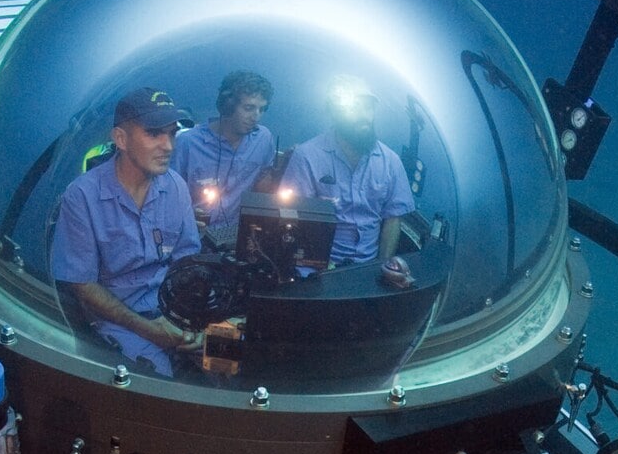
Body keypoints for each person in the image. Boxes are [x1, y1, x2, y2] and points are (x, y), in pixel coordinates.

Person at [50, 87, 203, 375]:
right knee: (158, 383)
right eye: (154, 133)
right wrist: (148, 329)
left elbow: (186, 260)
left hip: (171, 310)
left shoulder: (176, 187)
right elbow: (81, 284)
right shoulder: (81, 196)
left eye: (171, 133)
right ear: (121, 139)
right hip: (119, 321)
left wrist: (193, 318)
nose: (168, 146)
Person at [281, 78, 413, 266]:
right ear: (335, 112)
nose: (364, 115)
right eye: (355, 107)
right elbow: (291, 216)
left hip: (367, 269)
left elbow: (393, 218)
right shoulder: (307, 156)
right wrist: (315, 266)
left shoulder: (391, 162)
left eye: (368, 107)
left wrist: (382, 268)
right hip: (314, 267)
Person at [171, 69, 275, 234]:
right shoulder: (187, 144)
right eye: (249, 108)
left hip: (239, 237)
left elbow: (264, 185)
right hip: (193, 237)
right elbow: (166, 198)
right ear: (227, 106)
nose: (256, 117)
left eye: (261, 109)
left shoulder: (264, 139)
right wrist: (186, 216)